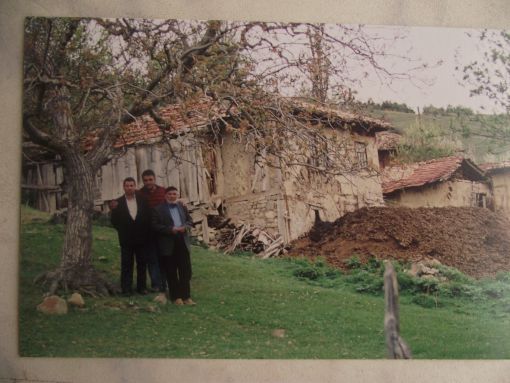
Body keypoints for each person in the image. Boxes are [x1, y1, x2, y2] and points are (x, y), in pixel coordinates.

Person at [152, 186, 195, 305]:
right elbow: (155, 226)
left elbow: (190, 221)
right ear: (165, 195)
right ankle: (176, 297)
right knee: (171, 270)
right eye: (170, 194)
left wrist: (185, 227)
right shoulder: (158, 209)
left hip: (182, 241)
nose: (172, 196)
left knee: (185, 270)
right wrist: (170, 230)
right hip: (168, 242)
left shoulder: (182, 207)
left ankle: (186, 296)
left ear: (177, 195)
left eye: (174, 194)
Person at [110, 177, 151, 296]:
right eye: (127, 186)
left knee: (142, 263)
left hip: (142, 238)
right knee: (127, 264)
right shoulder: (118, 202)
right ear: (123, 187)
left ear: (135, 186)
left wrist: (145, 232)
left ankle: (141, 287)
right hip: (126, 239)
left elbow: (148, 217)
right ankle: (126, 288)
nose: (129, 188)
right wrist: (123, 231)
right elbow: (114, 221)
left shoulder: (143, 200)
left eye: (131, 185)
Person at [138, 169, 167, 292]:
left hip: (162, 231)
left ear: (154, 179)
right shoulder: (139, 194)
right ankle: (155, 284)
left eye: (150, 179)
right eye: (145, 180)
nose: (148, 182)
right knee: (152, 259)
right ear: (143, 181)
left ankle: (165, 283)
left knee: (164, 257)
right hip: (148, 231)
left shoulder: (163, 191)